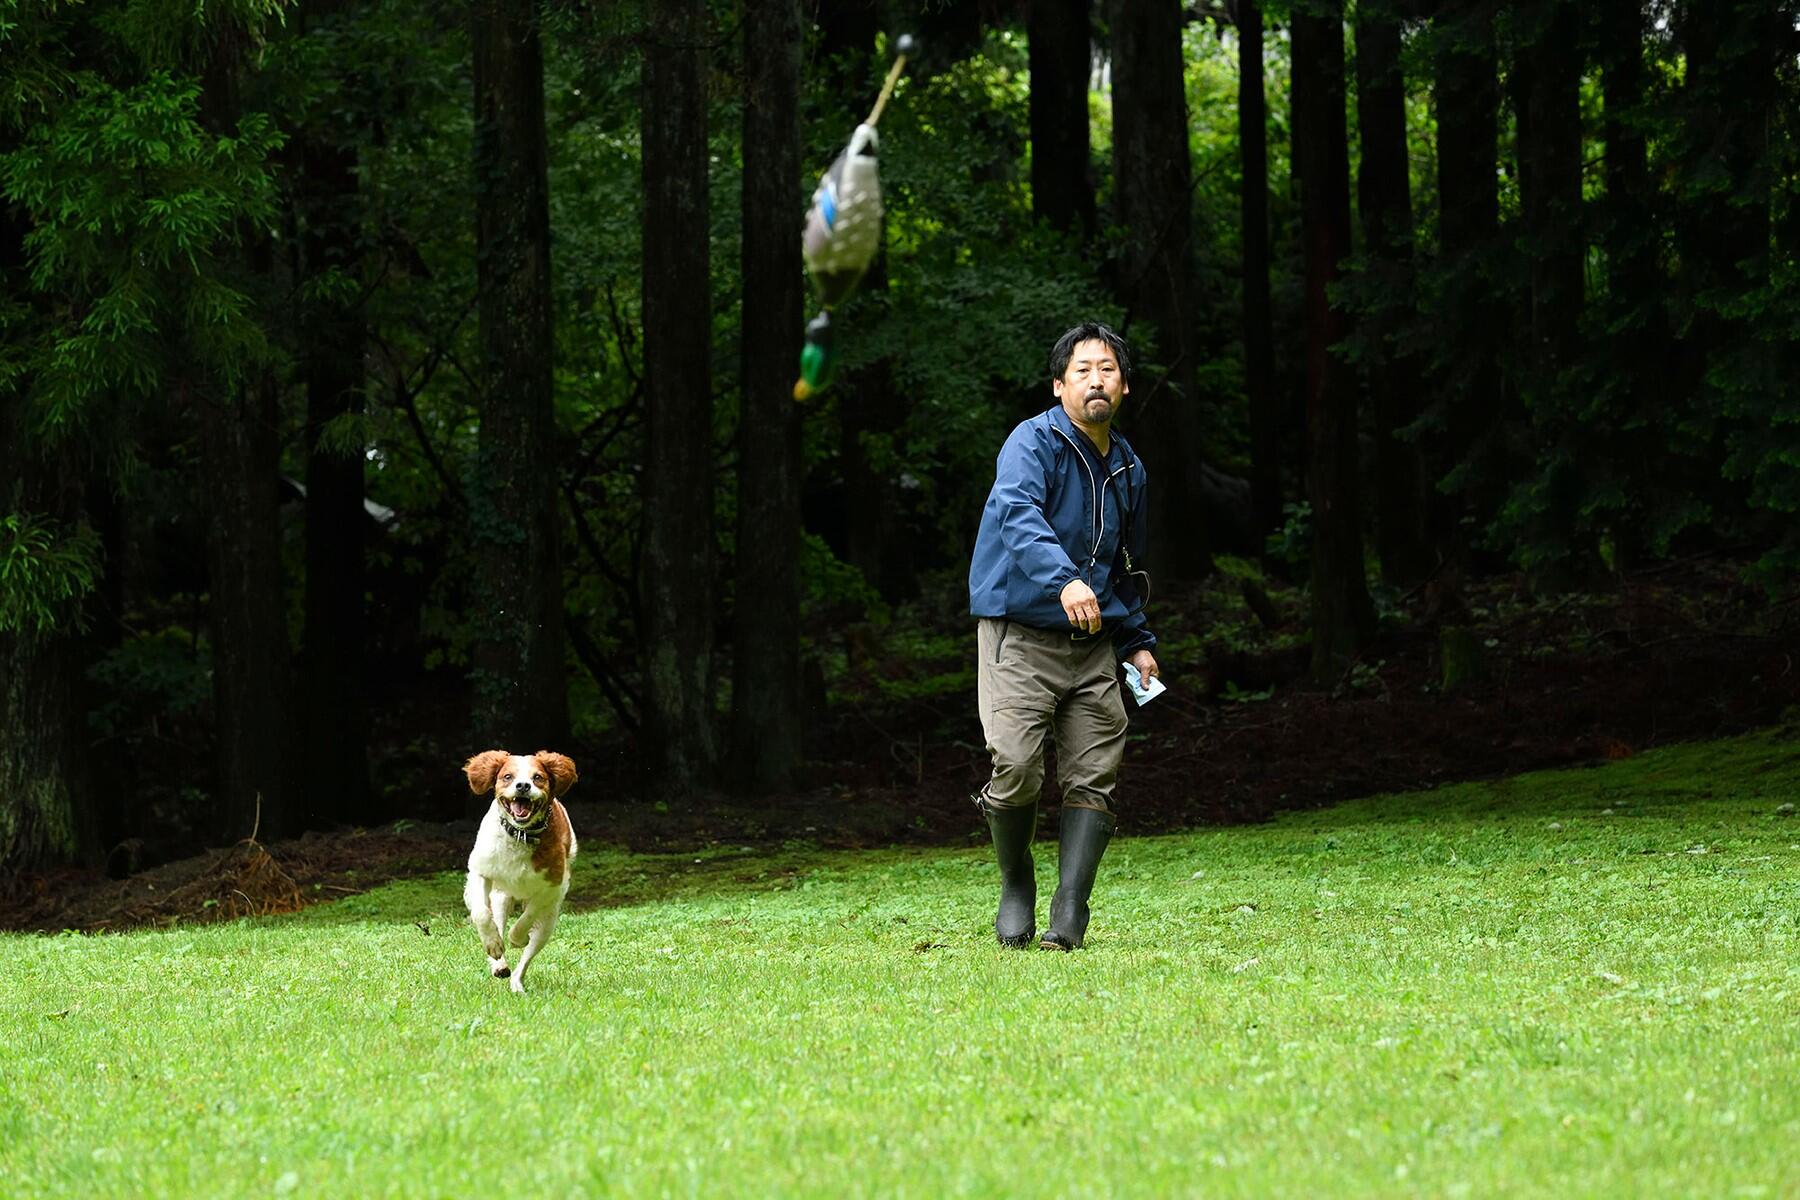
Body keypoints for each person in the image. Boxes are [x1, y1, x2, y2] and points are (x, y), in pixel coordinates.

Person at [967, 321, 1160, 951]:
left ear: (1124, 386)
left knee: (1094, 774)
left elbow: (1125, 567)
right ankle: (1016, 879)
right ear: (1059, 386)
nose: (1095, 379)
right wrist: (1063, 580)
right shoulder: (1032, 443)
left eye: (1107, 369)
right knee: (1017, 765)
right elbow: (1017, 512)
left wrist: (1137, 640)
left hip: (1095, 647)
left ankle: (1069, 907)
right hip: (1020, 637)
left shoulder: (1128, 468)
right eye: (1082, 370)